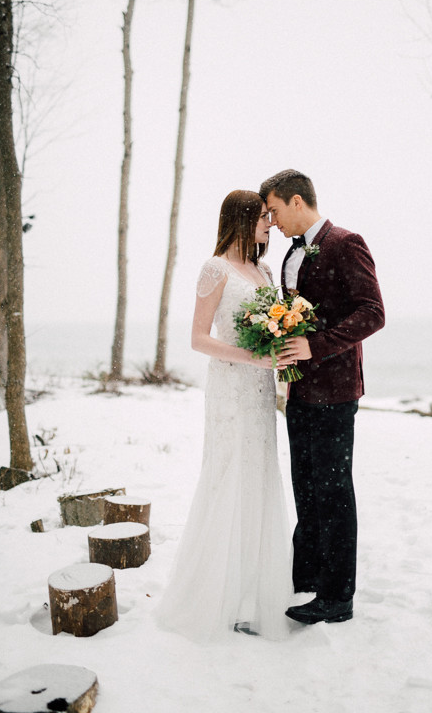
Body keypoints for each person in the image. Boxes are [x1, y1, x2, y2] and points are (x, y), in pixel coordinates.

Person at [157, 190, 292, 642]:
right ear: (242, 219)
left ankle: (251, 593)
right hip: (231, 389)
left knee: (258, 474)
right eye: (263, 217)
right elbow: (198, 338)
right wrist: (253, 357)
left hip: (260, 390)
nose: (269, 224)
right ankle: (217, 595)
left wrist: (279, 354)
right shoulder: (215, 268)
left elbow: (273, 329)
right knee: (230, 473)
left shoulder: (265, 271)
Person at [259, 169, 385, 625]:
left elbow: (373, 312)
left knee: (334, 492)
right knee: (306, 488)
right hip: (299, 391)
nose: (272, 221)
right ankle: (307, 578)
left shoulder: (346, 243)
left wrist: (317, 345)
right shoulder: (290, 255)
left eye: (274, 210)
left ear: (297, 201)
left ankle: (337, 597)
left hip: (335, 391)